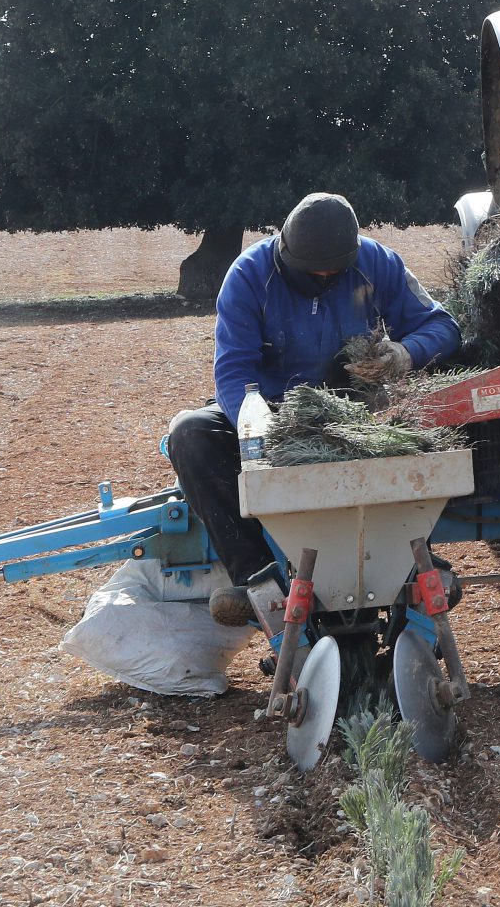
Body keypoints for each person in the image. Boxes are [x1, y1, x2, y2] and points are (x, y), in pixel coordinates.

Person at [166, 193, 461, 630]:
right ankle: (256, 578)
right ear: (285, 251)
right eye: (312, 273)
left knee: (415, 424)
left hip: (360, 417)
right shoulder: (248, 276)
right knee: (189, 434)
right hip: (273, 416)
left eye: (333, 273)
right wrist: (263, 426)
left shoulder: (378, 263)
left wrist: (403, 353)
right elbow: (232, 372)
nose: (323, 277)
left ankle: (408, 557)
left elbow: (443, 326)